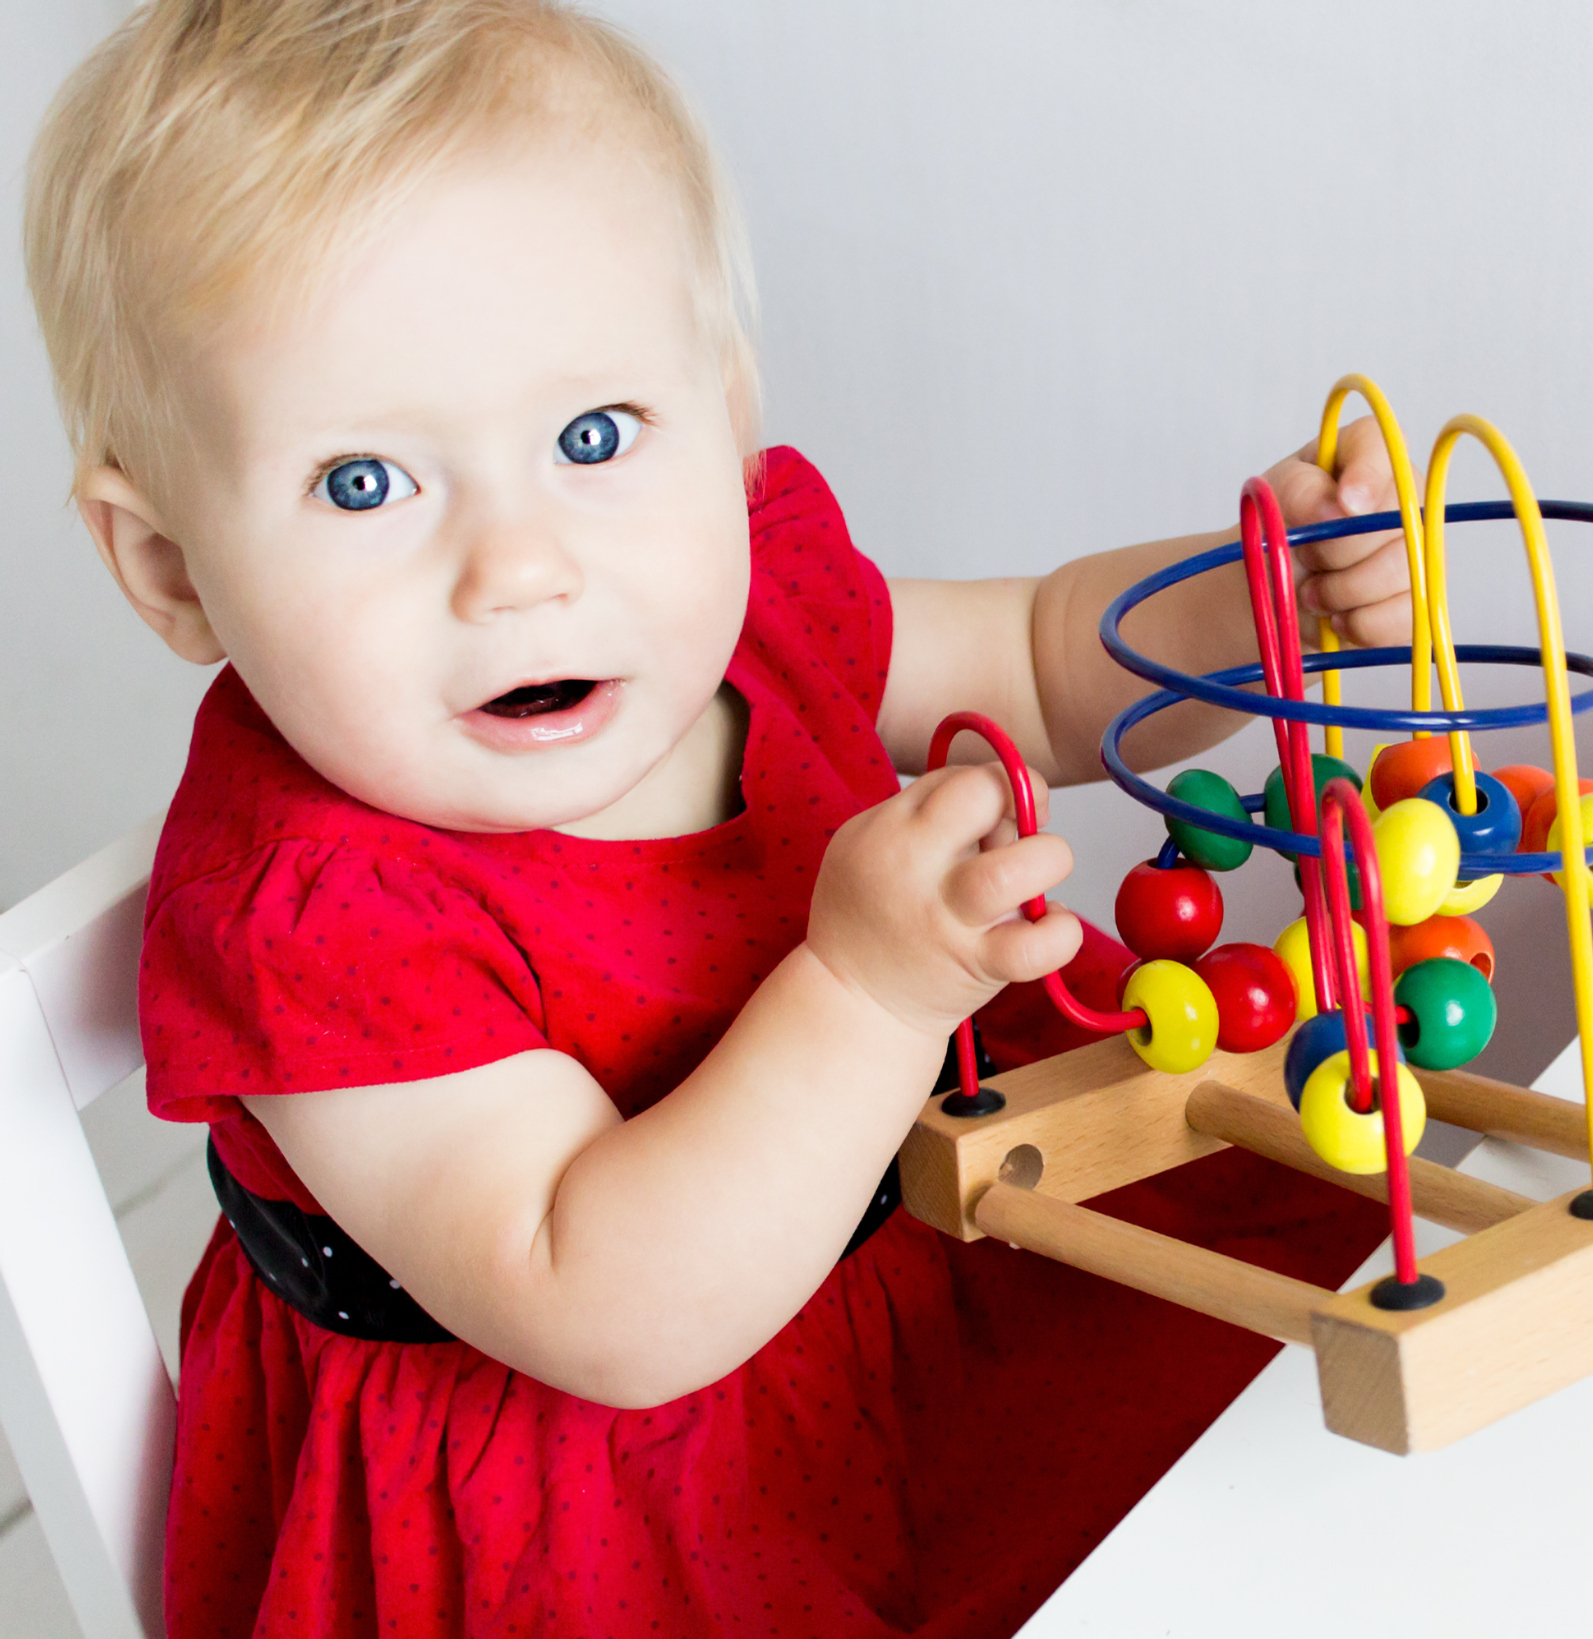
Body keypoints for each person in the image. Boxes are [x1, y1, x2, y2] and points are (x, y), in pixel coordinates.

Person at [22, 3, 1423, 1632]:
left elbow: (1038, 663)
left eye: (594, 438)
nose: (522, 567)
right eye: (365, 483)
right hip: (610, 1506)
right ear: (171, 566)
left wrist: (1248, 612)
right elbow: (602, 1301)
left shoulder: (741, 595)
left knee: (1310, 1476)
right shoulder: (314, 909)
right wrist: (864, 996)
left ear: (727, 413)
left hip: (951, 1291)